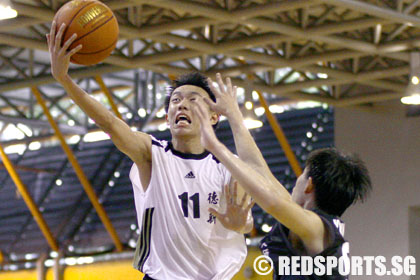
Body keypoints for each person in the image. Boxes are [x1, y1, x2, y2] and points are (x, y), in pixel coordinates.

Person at [47, 22, 254, 280]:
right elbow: (110, 123)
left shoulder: (227, 166)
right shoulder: (152, 154)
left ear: (213, 117)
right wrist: (64, 79)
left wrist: (241, 224)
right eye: (175, 101)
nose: (182, 106)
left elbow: (246, 219)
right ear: (168, 118)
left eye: (193, 100)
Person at [192, 73, 372, 279]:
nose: (295, 184)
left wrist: (215, 146)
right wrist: (234, 115)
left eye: (301, 176)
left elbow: (273, 204)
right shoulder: (312, 224)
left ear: (309, 185)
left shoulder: (316, 227)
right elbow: (258, 168)